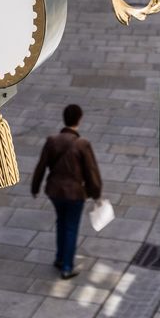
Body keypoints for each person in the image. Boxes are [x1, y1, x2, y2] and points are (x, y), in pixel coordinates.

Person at [31, 104, 103, 280]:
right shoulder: (82, 144)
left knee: (61, 223)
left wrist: (35, 187)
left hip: (54, 191)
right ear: (79, 119)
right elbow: (91, 171)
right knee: (70, 227)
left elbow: (41, 166)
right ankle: (67, 267)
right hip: (75, 194)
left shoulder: (52, 141)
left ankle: (59, 258)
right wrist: (96, 193)